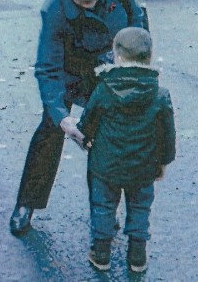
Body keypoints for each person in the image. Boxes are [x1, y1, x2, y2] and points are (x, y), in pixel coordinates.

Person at [9, 0, 146, 236]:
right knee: (50, 130)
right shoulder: (53, 8)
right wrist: (62, 116)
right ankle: (26, 204)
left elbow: (137, 22)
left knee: (109, 137)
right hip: (72, 70)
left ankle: (105, 208)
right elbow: (48, 68)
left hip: (111, 67)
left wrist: (135, 64)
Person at [77, 27, 175, 273]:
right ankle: (137, 256)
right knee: (140, 208)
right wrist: (163, 162)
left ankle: (101, 253)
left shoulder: (104, 88)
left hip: (105, 164)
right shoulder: (160, 95)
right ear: (150, 57)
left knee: (103, 206)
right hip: (143, 165)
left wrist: (84, 137)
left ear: (117, 56)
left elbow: (89, 120)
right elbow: (167, 134)